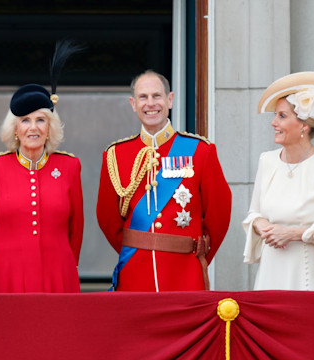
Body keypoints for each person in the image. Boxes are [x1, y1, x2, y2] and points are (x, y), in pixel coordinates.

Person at [96, 70, 232, 292]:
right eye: (143, 97)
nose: (151, 103)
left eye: (157, 96)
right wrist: (137, 248)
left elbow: (219, 215)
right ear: (133, 103)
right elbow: (107, 218)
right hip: (135, 273)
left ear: (170, 99)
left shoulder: (200, 151)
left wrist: (194, 253)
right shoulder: (116, 154)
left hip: (185, 272)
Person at [243, 71, 314, 291]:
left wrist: (295, 233)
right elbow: (254, 214)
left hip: (311, 278)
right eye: (275, 115)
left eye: (282, 116)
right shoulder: (267, 161)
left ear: (304, 126)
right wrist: (262, 225)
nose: (273, 122)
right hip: (270, 273)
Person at [0, 84, 84, 293]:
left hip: (57, 274)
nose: (33, 127)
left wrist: (67, 266)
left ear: (49, 127)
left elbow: (76, 228)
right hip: (5, 275)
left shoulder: (69, 167)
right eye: (25, 120)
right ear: (15, 128)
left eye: (40, 120)